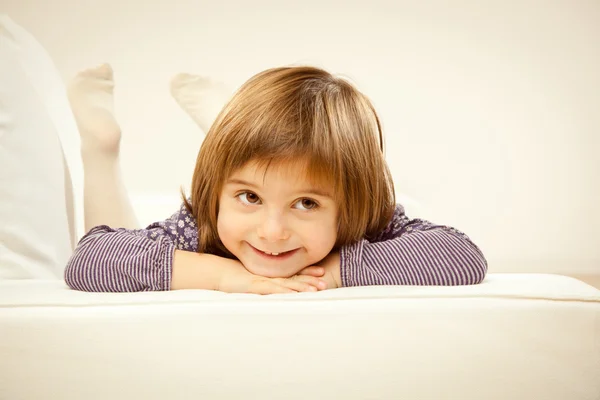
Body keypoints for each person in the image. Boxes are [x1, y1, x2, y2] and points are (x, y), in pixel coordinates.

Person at [64, 64, 488, 294]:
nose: (272, 233)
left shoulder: (368, 218)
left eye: (307, 203)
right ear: (214, 195)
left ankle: (229, 134)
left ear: (352, 209)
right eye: (249, 197)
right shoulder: (202, 227)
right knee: (125, 222)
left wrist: (334, 270)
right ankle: (101, 147)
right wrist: (224, 276)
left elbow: (460, 256)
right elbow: (93, 256)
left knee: (274, 171)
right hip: (211, 204)